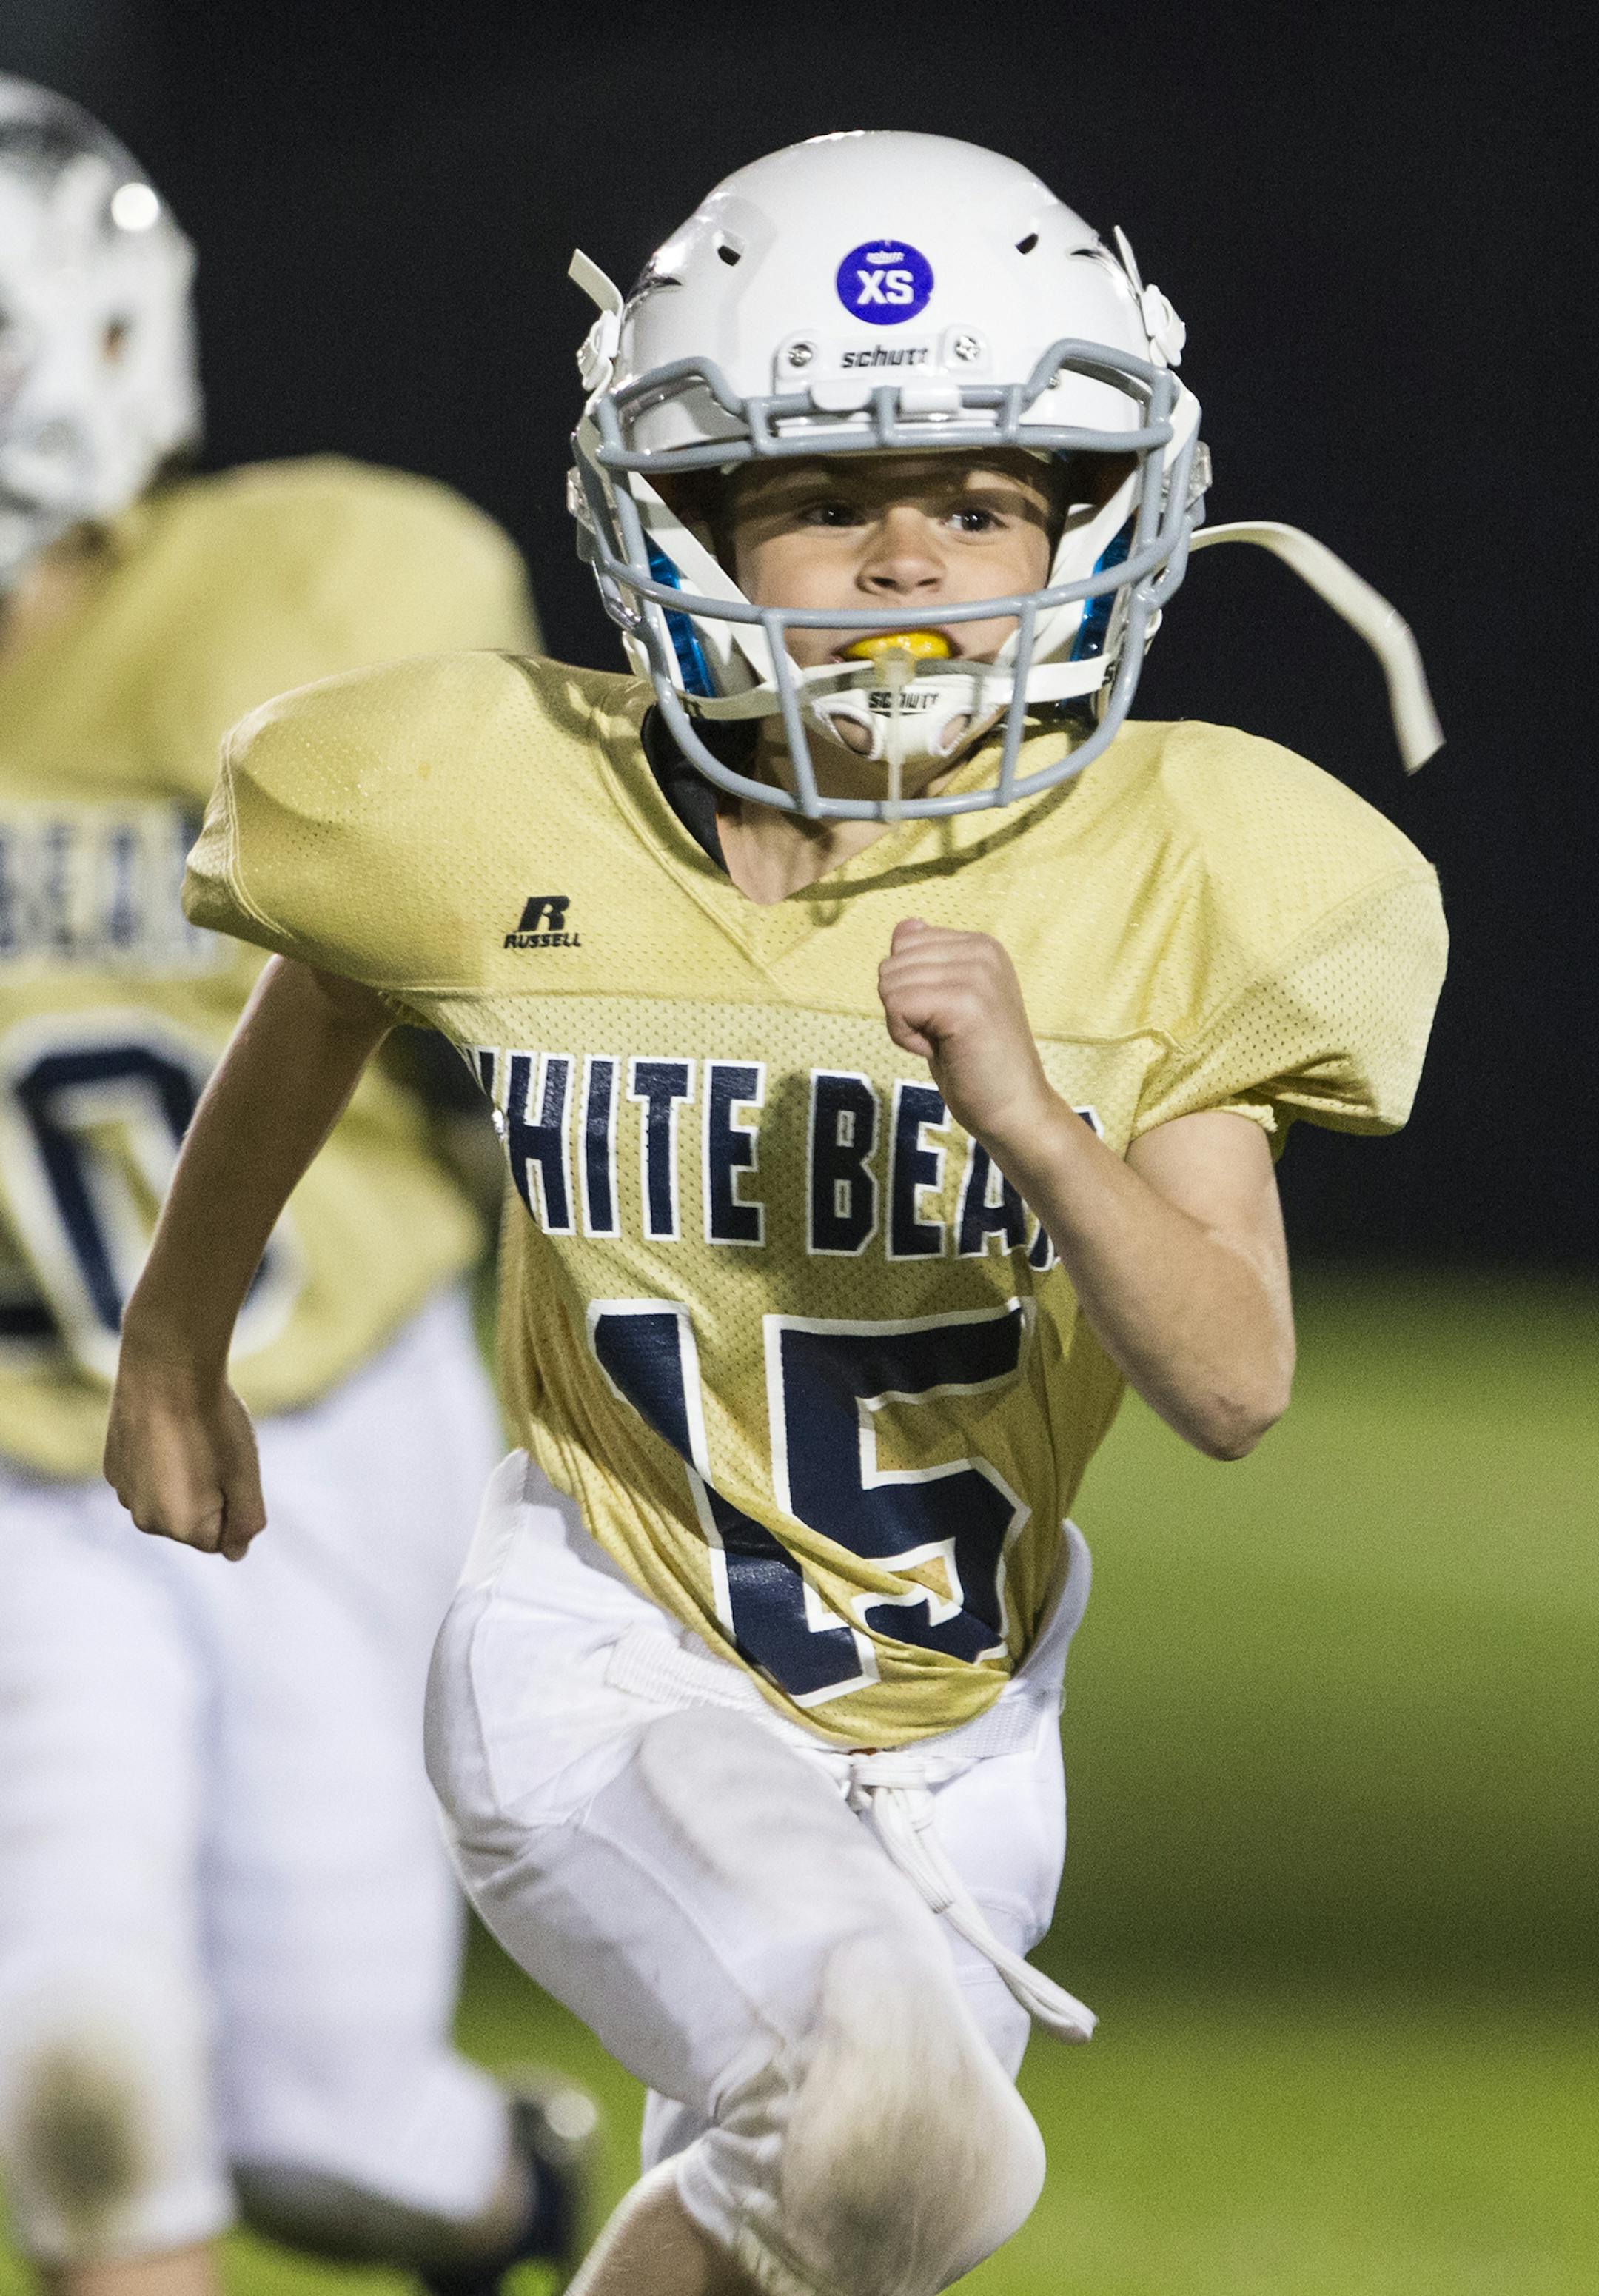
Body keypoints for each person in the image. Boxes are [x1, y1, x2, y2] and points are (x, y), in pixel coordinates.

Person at [104, 130, 1449, 2296]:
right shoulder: (507, 798)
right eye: (828, 502)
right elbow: (326, 976)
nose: (913, 560)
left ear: (1103, 519)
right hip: (606, 1653)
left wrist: (1036, 1119)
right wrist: (175, 1346)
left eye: (985, 504)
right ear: (681, 528)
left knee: (819, 2222)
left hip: (963, 1734)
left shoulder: (1186, 860)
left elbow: (1231, 1377)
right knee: (898, 2130)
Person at [0, 77, 592, 2296]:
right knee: (79, 2073)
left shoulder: (313, 583)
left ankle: (503, 2192)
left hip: (320, 1413)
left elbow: (511, 977)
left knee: (330, 2123)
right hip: (15, 1465)